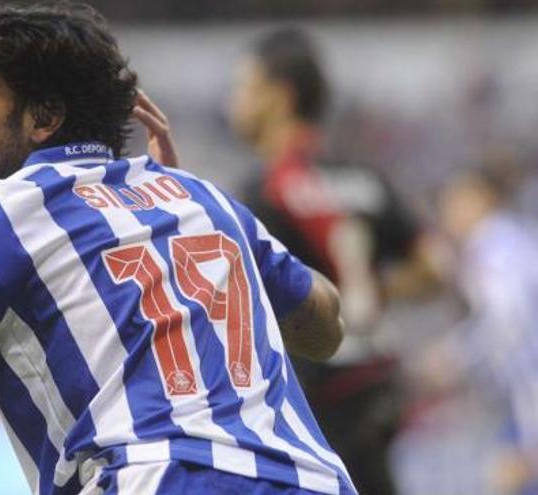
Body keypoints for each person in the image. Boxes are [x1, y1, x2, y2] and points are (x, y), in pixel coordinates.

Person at [0, 4, 356, 494]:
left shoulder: (8, 213)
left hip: (155, 477)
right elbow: (326, 326)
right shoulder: (202, 197)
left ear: (44, 117)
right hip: (313, 479)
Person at [228, 27, 441, 495]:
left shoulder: (263, 190)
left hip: (316, 391)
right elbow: (433, 268)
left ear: (279, 97)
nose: (235, 102)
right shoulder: (365, 177)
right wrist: (372, 292)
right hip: (378, 381)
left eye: (245, 88)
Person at [438, 163, 538, 494]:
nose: (445, 213)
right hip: (519, 393)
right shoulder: (514, 239)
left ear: (481, 199)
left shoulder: (490, 247)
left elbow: (508, 321)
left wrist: (455, 355)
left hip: (529, 390)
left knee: (509, 478)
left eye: (454, 201)